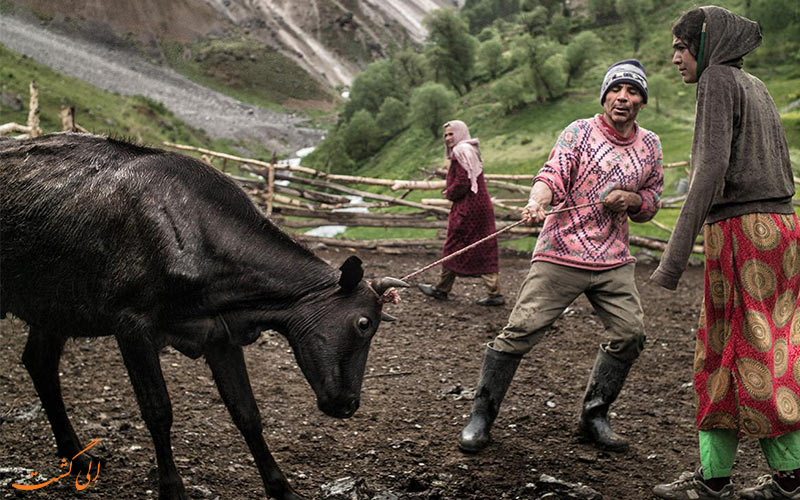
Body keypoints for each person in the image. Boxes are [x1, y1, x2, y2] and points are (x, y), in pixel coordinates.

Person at [457, 59, 664, 454]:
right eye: (616, 89)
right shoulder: (579, 132)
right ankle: (481, 415)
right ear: (605, 95)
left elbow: (653, 197)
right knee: (519, 332)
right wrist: (538, 200)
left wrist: (633, 199)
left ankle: (594, 415)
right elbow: (551, 174)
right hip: (560, 253)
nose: (623, 97)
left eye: (633, 91)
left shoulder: (650, 144)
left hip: (613, 260)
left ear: (642, 101)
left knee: (630, 335)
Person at [650, 6, 800, 500]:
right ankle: (739, 478)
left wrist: (672, 260)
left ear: (706, 45)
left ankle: (773, 480)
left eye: (680, 45)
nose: (674, 57)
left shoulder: (716, 78)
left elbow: (711, 167)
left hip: (742, 232)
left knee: (728, 351)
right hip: (781, 230)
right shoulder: (754, 84)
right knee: (769, 347)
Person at [418, 120, 505, 307]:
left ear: (461, 133)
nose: (448, 138)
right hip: (481, 205)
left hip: (468, 208)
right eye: (446, 135)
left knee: (453, 246)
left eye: (451, 134)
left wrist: (449, 192)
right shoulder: (470, 149)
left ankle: (442, 289)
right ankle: (494, 292)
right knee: (484, 246)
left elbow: (463, 182)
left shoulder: (460, 151)